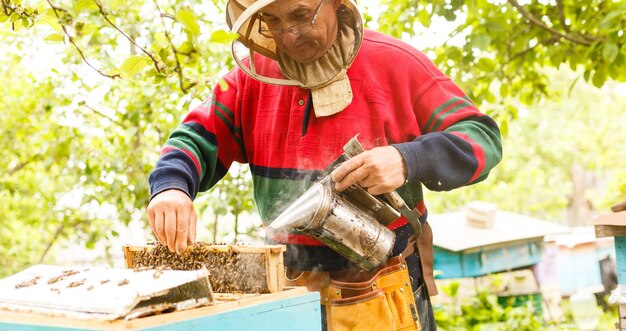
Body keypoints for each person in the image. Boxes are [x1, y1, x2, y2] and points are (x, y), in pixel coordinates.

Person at [147, 0, 503, 329]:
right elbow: (194, 137)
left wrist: (407, 159)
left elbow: (481, 138)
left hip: (384, 286)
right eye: (273, 20)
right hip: (286, 292)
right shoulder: (249, 78)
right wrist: (171, 188)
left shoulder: (397, 63)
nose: (288, 34)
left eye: (301, 15)